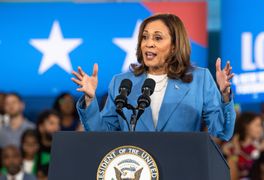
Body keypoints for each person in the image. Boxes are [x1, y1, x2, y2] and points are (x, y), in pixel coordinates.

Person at [72, 13, 236, 141]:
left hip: (182, 169)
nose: (148, 43)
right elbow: (102, 133)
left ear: (174, 46)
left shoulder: (200, 79)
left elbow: (222, 132)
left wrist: (225, 96)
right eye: (145, 37)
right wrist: (89, 99)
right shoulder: (122, 82)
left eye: (157, 38)